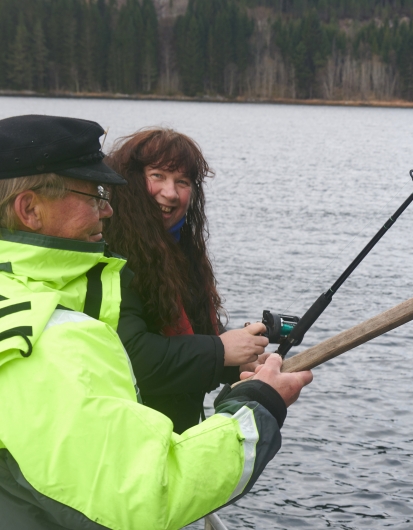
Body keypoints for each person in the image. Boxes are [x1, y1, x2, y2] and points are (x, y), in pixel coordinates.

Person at [0, 114, 313, 529]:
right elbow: (148, 494)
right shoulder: (60, 337)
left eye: (183, 181)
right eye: (94, 195)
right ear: (29, 209)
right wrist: (260, 403)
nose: (107, 208)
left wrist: (230, 359)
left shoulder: (37, 289)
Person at [103, 128, 268, 433]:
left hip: (171, 435)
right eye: (158, 176)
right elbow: (130, 356)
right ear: (130, 181)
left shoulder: (180, 250)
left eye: (182, 182)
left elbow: (191, 334)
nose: (171, 193)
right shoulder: (109, 252)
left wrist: (238, 362)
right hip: (125, 434)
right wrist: (219, 351)